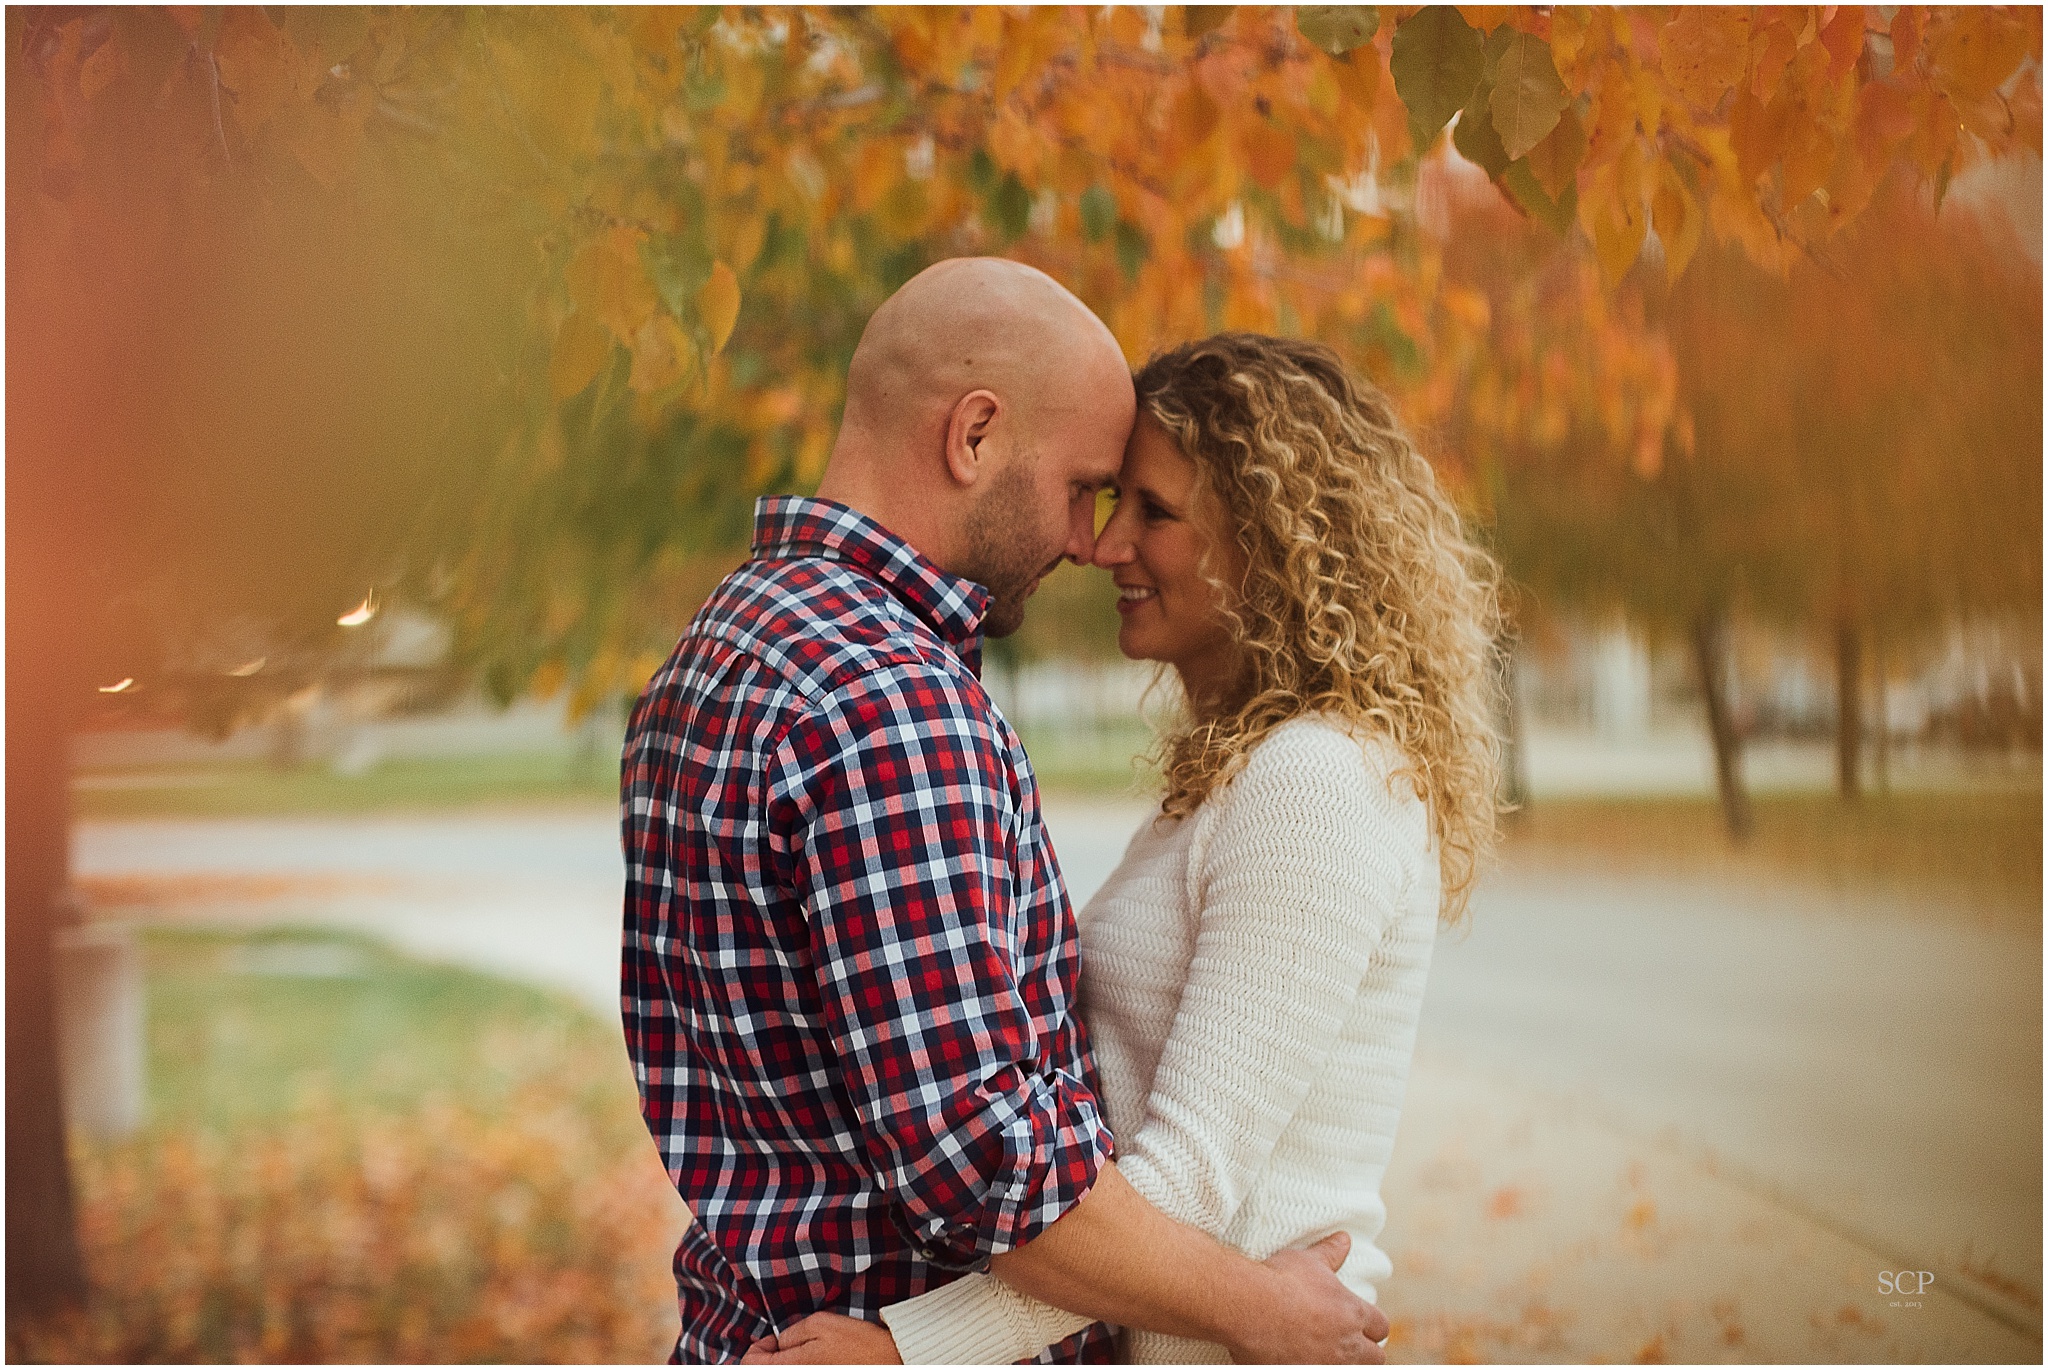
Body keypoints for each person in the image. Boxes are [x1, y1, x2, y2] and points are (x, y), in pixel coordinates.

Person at [621, 266, 1390, 1363]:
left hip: (746, 1321)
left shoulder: (726, 642)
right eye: (1084, 486)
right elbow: (985, 1162)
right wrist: (1254, 1305)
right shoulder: (887, 699)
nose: (1089, 540)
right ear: (974, 435)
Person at [749, 332, 1504, 1363]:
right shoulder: (1234, 775)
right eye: (1111, 504)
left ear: (1270, 541)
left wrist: (906, 1350)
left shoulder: (1317, 781)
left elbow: (1187, 1175)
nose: (1104, 547)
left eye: (1153, 511)